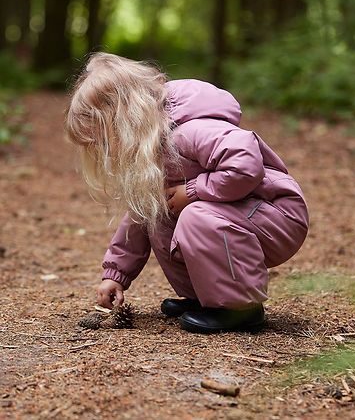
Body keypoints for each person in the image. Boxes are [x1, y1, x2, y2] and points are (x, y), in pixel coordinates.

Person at [65, 52, 309, 334]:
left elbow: (245, 164)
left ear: (126, 120)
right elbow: (138, 218)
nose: (107, 152)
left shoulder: (191, 131)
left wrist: (193, 190)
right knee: (156, 213)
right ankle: (207, 298)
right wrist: (115, 275)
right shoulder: (151, 152)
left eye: (106, 141)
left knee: (195, 215)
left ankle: (240, 308)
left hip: (274, 214)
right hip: (234, 217)